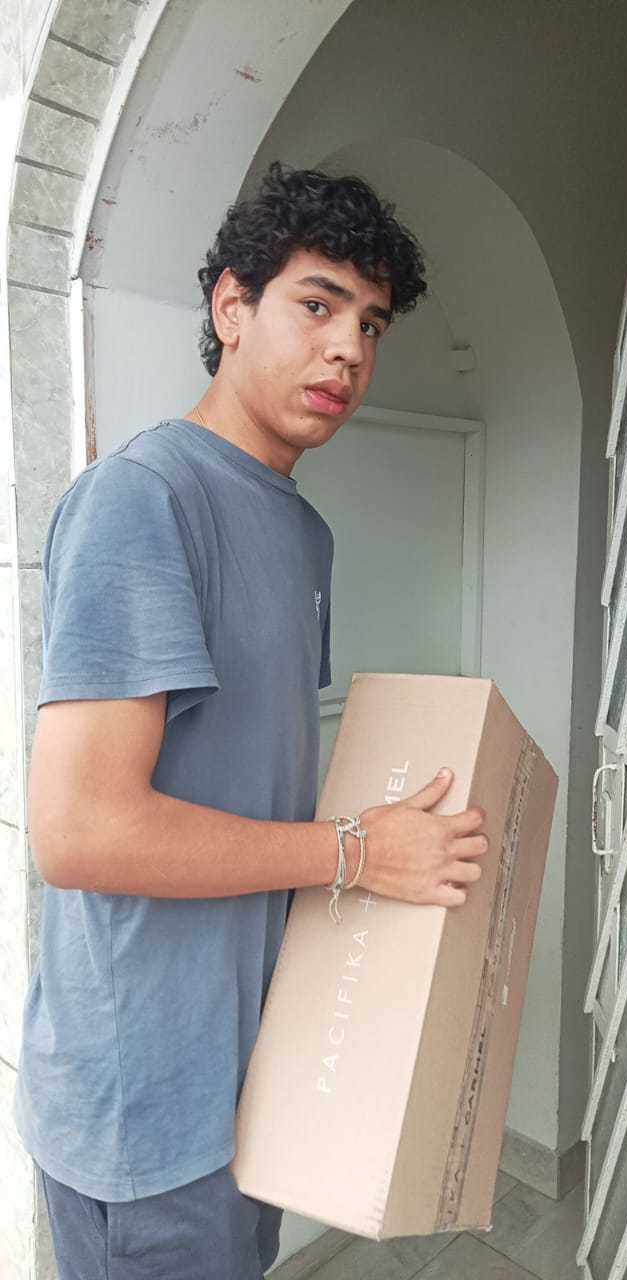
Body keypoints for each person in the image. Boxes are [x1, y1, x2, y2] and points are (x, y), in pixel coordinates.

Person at [14, 162, 489, 1279]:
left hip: (257, 1074)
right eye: (317, 304)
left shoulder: (302, 531)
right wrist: (360, 853)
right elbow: (78, 832)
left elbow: (252, 778)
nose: (348, 350)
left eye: (370, 324)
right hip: (145, 1109)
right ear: (232, 306)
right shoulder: (145, 498)